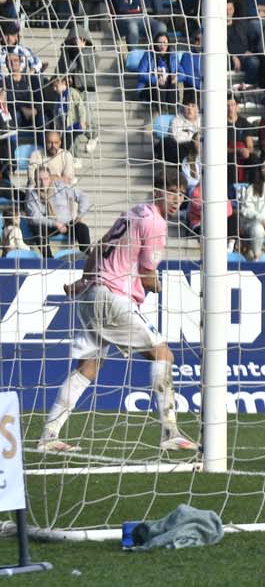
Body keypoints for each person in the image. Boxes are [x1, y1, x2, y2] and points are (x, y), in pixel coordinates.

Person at [39, 174, 196, 454]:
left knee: (89, 367)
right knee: (163, 354)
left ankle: (49, 435)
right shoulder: (156, 223)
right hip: (114, 297)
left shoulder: (133, 212)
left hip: (93, 294)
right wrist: (156, 284)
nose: (177, 200)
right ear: (157, 191)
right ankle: (169, 431)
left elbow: (98, 247)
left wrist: (83, 280)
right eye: (172, 192)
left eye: (182, 194)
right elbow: (148, 276)